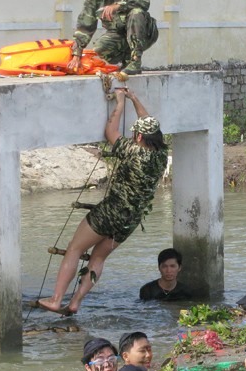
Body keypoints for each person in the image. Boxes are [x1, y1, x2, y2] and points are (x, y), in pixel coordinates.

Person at [36, 89, 168, 316]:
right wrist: (134, 99)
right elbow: (148, 123)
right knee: (98, 257)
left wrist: (119, 103)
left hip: (110, 212)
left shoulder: (133, 152)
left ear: (138, 137)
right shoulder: (161, 155)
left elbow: (111, 131)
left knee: (75, 249)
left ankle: (56, 299)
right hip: (130, 219)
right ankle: (75, 302)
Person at [67, 0, 158, 76]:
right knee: (99, 48)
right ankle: (127, 60)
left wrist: (119, 5)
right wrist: (76, 55)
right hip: (119, 34)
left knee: (136, 12)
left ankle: (136, 60)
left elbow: (144, 2)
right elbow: (84, 28)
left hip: (145, 32)